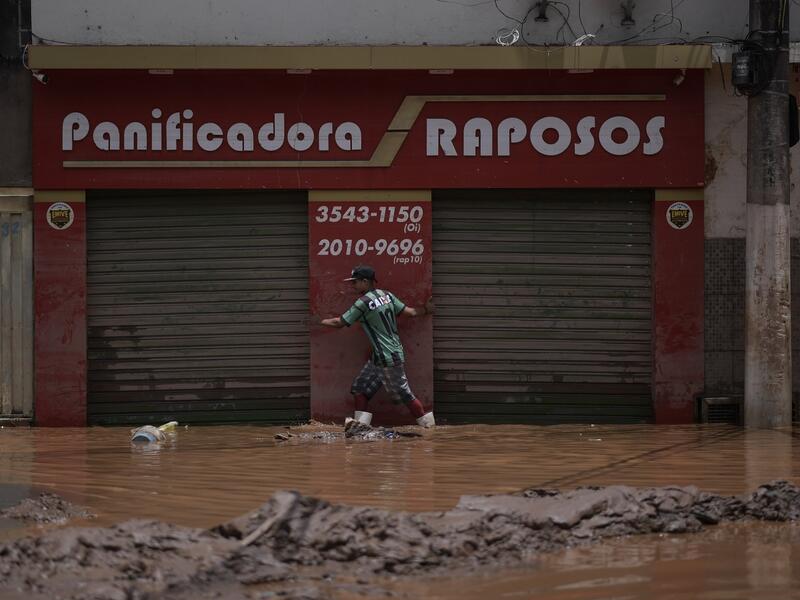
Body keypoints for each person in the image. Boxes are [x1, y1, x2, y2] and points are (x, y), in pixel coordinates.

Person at [319, 265, 436, 428]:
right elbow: (410, 312)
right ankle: (359, 428)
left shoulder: (362, 303)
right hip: (381, 356)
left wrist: (318, 321)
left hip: (387, 357)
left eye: (355, 282)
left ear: (365, 282)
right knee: (360, 388)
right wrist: (426, 309)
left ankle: (428, 428)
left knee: (404, 394)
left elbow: (340, 322)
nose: (353, 286)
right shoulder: (387, 295)